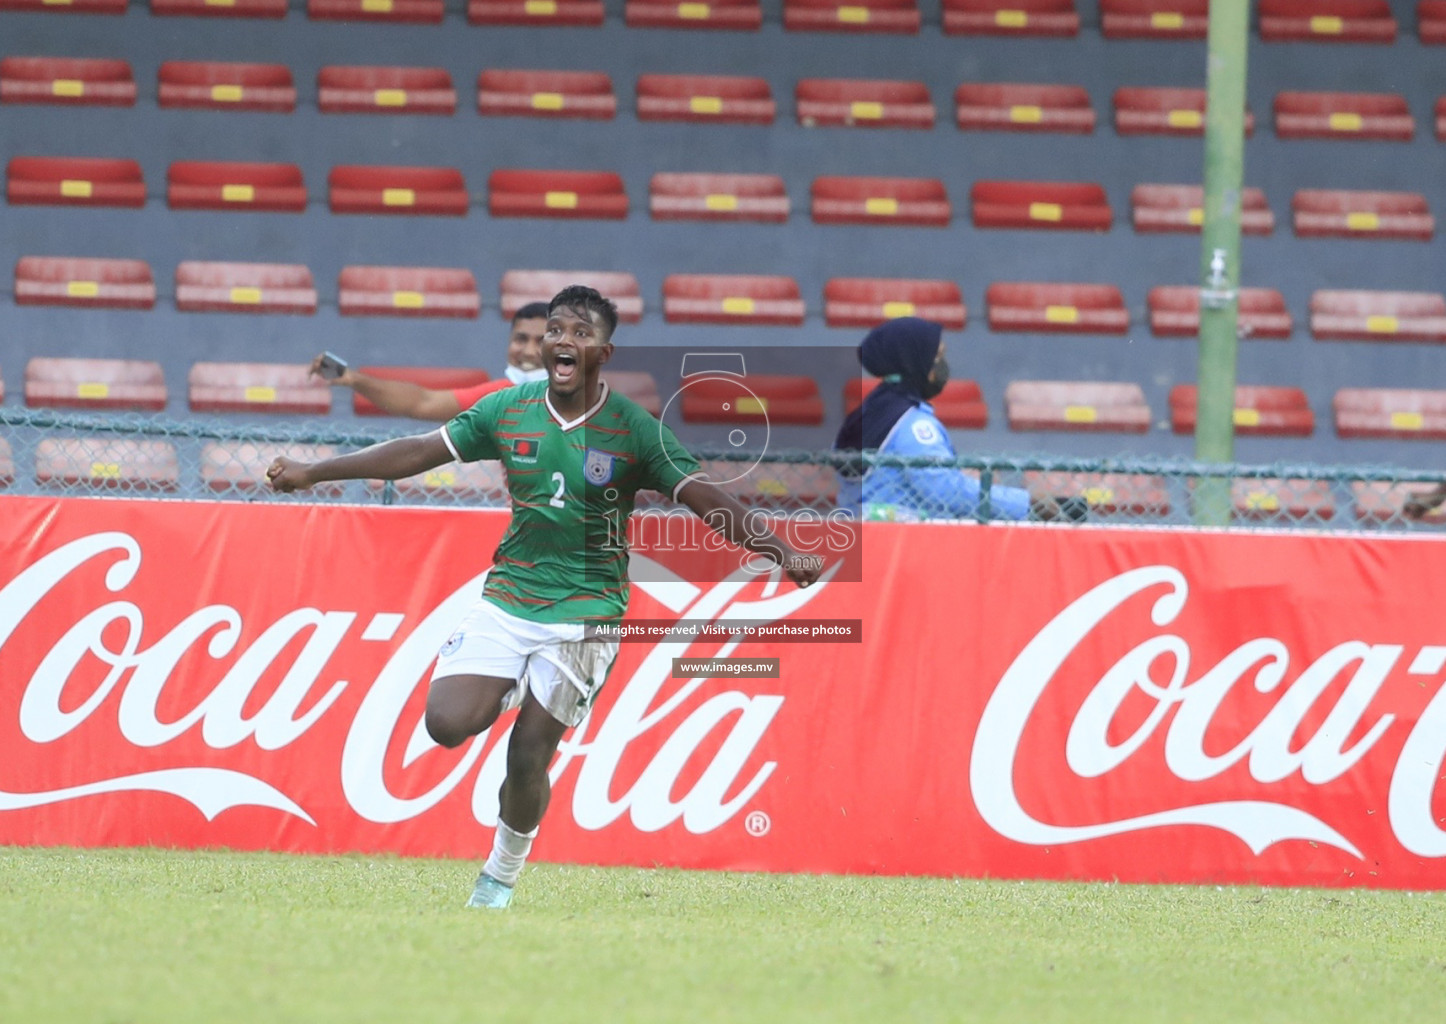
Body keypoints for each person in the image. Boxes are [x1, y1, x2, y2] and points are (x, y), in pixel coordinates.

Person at [268, 285, 822, 909]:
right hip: (511, 593)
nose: (563, 340)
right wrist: (315, 470)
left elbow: (704, 499)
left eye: (580, 333)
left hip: (587, 612)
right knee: (446, 723)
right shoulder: (508, 408)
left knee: (529, 752)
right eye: (556, 328)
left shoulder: (635, 431)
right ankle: (510, 680)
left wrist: (782, 551)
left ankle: (499, 877)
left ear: (602, 352)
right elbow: (419, 451)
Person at [833, 317, 1039, 522]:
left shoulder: (867, 413)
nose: (942, 366)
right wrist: (1025, 504)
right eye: (937, 357)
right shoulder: (912, 424)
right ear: (915, 362)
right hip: (901, 543)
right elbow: (945, 491)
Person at [308, 302, 551, 421]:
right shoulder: (500, 397)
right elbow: (422, 402)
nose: (529, 351)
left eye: (541, 341)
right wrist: (352, 379)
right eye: (521, 339)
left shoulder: (585, 395)